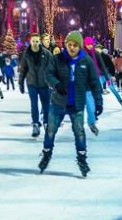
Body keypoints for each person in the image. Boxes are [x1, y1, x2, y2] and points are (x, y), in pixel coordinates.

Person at [39, 31, 102, 177]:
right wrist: (56, 84)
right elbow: (48, 74)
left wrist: (98, 103)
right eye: (69, 45)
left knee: (79, 132)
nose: (71, 48)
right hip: (58, 103)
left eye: (75, 45)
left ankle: (82, 159)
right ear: (65, 45)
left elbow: (94, 83)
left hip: (77, 104)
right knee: (50, 130)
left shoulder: (86, 61)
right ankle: (46, 154)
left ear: (79, 46)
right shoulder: (57, 59)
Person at [18, 33, 53, 138]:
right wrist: (21, 83)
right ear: (30, 41)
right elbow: (23, 69)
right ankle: (35, 124)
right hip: (32, 83)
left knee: (46, 104)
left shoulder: (46, 54)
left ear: (39, 42)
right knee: (34, 104)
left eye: (37, 41)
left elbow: (52, 68)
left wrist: (53, 82)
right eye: (33, 41)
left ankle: (47, 123)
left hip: (44, 83)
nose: (35, 43)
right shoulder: (26, 54)